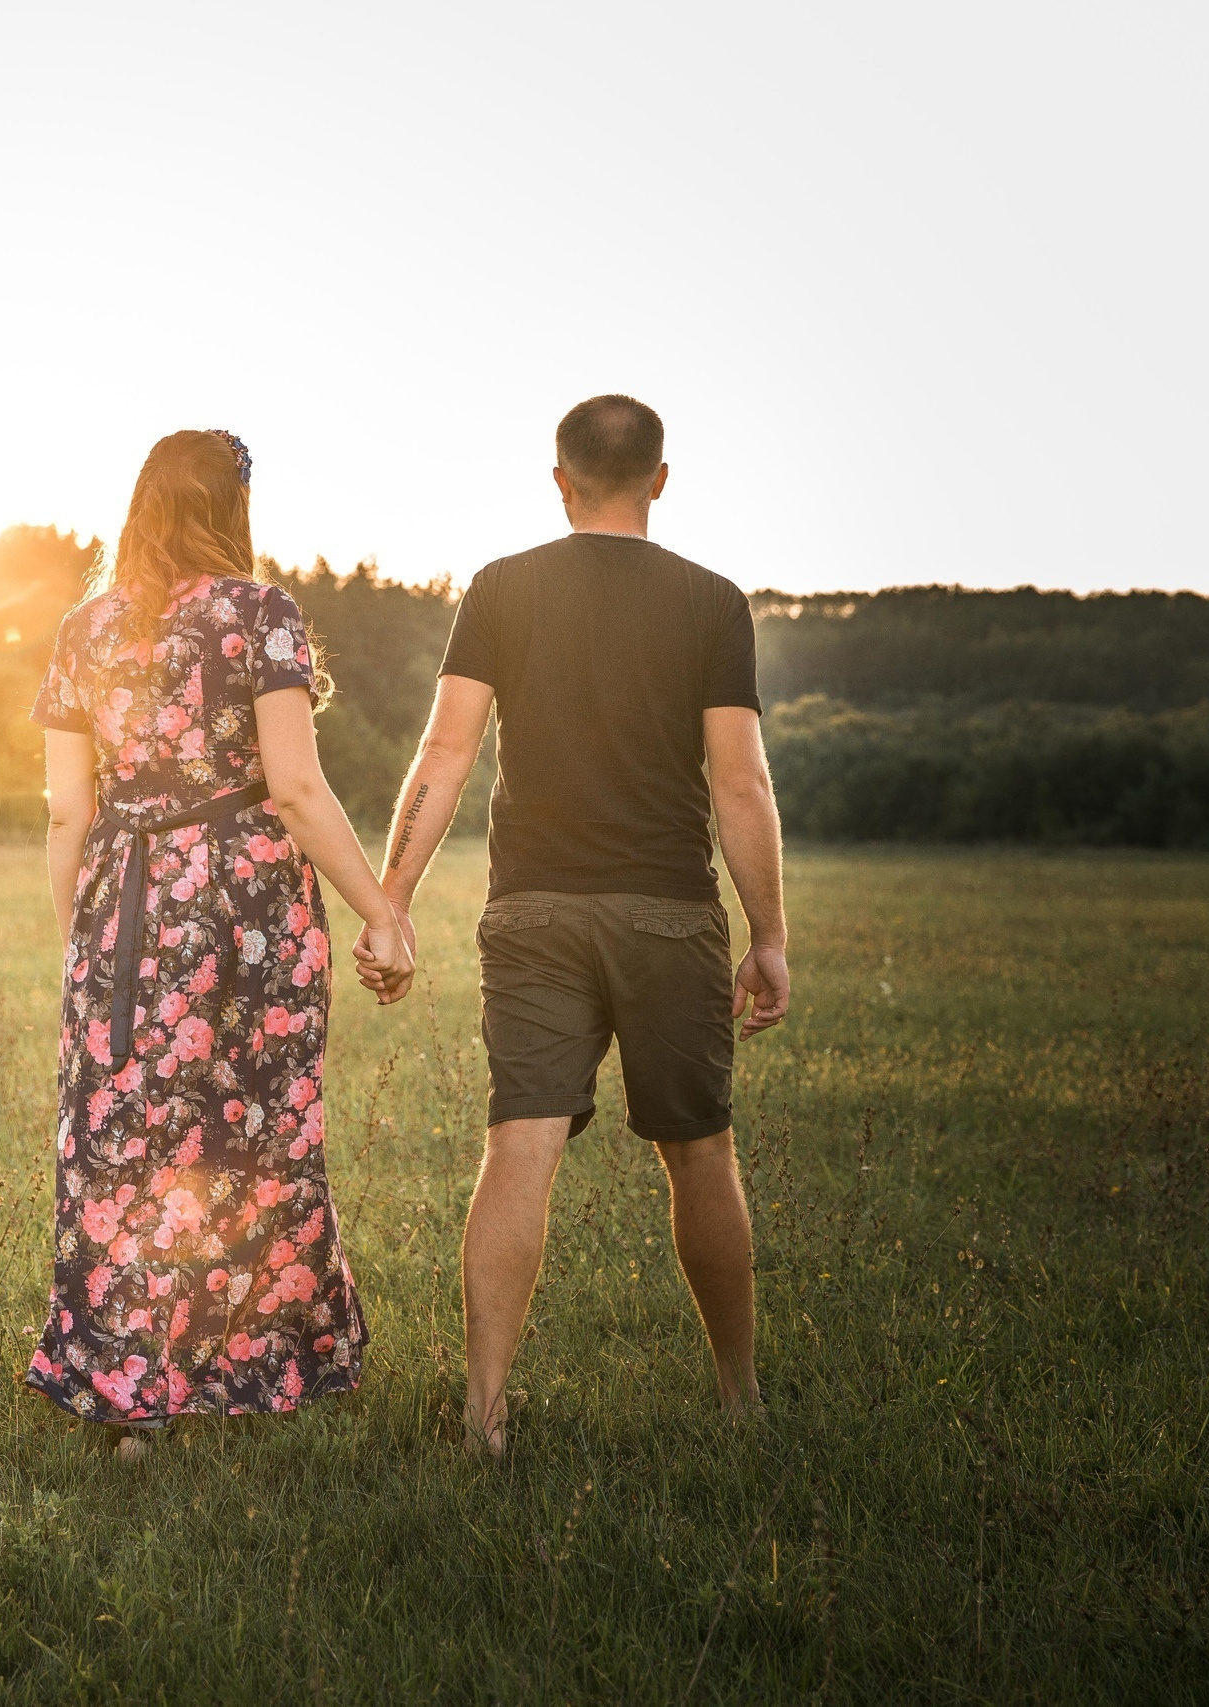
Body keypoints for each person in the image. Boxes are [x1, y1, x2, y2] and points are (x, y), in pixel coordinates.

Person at [361, 395, 791, 1456]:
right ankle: (740, 1403)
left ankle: (485, 1415)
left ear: (559, 482)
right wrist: (768, 933)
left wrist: (392, 900)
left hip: (534, 912)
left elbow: (444, 754)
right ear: (659, 478)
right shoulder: (712, 603)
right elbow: (739, 782)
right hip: (668, 915)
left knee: (520, 1148)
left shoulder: (504, 588)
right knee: (700, 1156)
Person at [27, 428, 415, 1459]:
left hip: (126, 895)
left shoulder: (84, 627)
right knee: (251, 1126)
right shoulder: (260, 614)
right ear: (231, 507)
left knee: (123, 1132)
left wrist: (85, 932)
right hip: (245, 899)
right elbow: (292, 786)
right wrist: (380, 909)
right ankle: (249, 1366)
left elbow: (67, 809)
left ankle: (124, 1391)